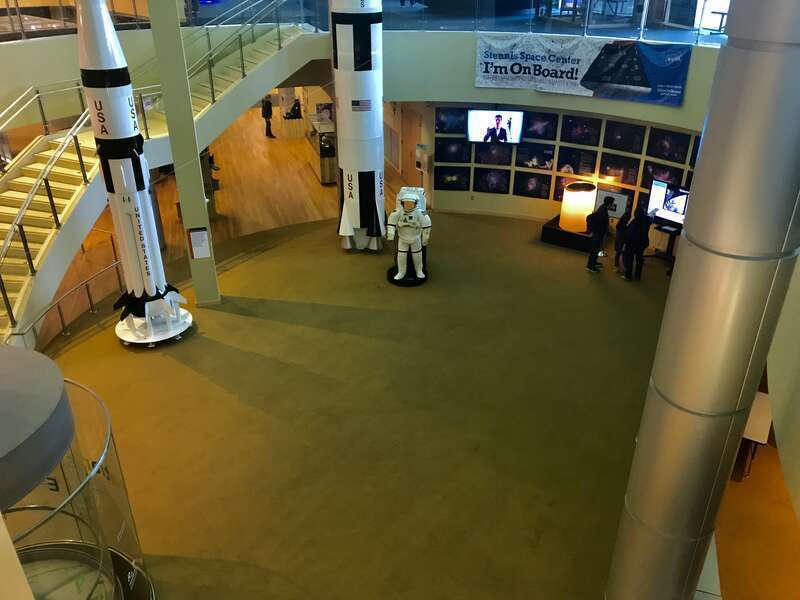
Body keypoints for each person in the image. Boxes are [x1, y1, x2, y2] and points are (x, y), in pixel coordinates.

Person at [622, 205, 651, 281]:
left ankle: (628, 275)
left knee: (629, 259)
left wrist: (625, 242)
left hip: (632, 243)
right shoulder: (646, 221)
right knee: (639, 259)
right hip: (642, 243)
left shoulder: (635, 222)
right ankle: (637, 276)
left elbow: (630, 234)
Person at [586, 197, 614, 273]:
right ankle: (590, 266)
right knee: (594, 249)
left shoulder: (603, 208)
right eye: (612, 203)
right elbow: (598, 222)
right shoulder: (603, 210)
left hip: (599, 233)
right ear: (610, 204)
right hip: (598, 233)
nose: (612, 205)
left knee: (596, 249)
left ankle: (594, 262)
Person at [614, 208, 631, 272]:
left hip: (619, 241)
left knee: (618, 254)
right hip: (622, 242)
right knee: (623, 254)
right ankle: (624, 268)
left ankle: (616, 266)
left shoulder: (619, 225)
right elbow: (625, 236)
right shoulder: (624, 227)